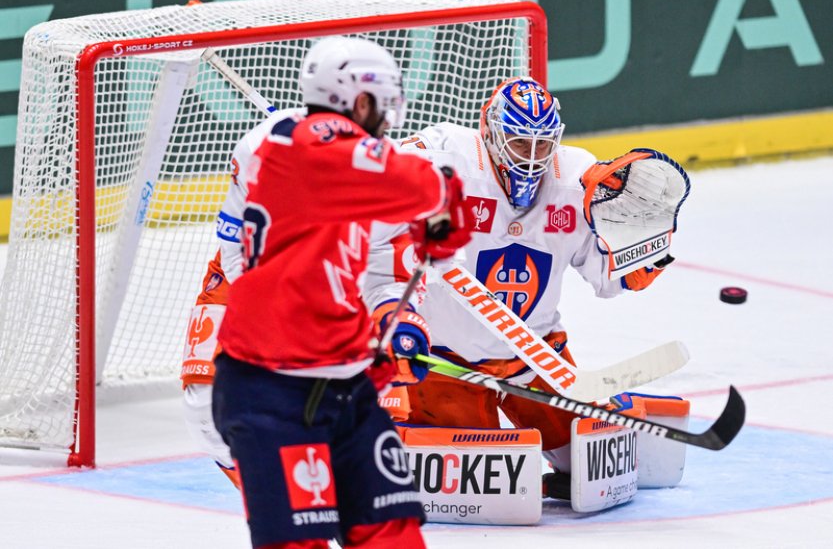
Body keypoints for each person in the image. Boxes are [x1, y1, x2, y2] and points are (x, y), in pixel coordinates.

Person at [200, 36, 472, 548]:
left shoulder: (306, 155)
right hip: (270, 392)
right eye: (382, 105)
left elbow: (333, 267)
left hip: (341, 383)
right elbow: (426, 183)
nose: (387, 121)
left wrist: (350, 350)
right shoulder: (322, 149)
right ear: (360, 101)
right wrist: (443, 199)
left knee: (394, 535)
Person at [371, 76, 685, 486]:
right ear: (491, 133)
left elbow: (610, 280)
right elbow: (375, 187)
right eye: (520, 143)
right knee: (483, 473)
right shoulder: (448, 155)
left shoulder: (575, 178)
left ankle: (614, 408)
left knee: (589, 468)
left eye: (544, 144)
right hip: (449, 361)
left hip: (538, 358)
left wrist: (642, 248)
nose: (533, 158)